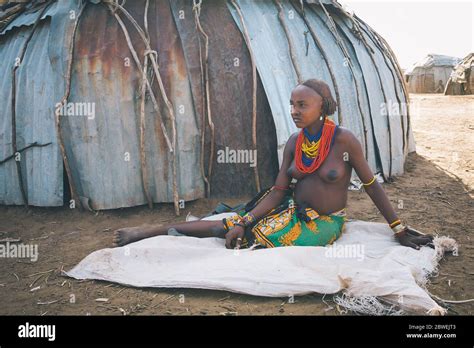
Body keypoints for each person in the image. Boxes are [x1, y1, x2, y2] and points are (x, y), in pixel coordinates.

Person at [113, 79, 434, 250]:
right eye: (292, 104)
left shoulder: (344, 140)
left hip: (324, 222)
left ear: (323, 107)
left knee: (261, 237)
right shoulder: (294, 143)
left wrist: (398, 228)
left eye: (302, 104)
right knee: (231, 225)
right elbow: (279, 191)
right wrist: (245, 219)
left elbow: (371, 184)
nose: (294, 110)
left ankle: (237, 232)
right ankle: (150, 232)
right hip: (291, 209)